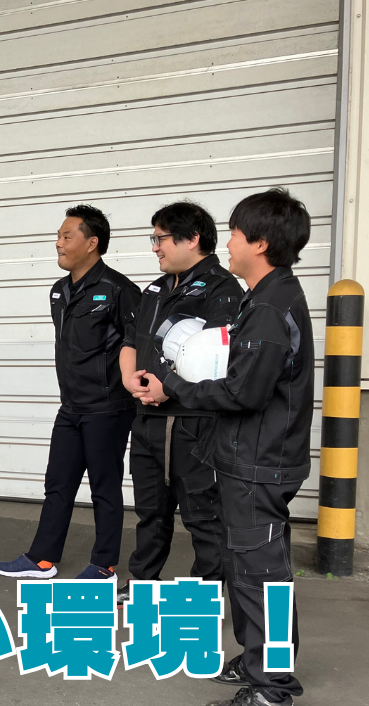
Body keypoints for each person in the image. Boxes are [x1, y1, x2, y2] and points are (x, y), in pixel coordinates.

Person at [137, 187, 312, 706]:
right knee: (250, 569)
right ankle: (259, 661)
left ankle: (274, 689)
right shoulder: (265, 298)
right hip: (249, 458)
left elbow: (242, 393)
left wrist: (174, 388)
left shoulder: (270, 307)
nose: (228, 243)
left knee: (262, 575)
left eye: (234, 234)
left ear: (259, 242)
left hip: (260, 462)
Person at [0, 205, 140, 580]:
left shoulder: (119, 290)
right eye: (58, 236)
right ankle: (42, 558)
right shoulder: (59, 291)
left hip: (108, 407)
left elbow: (136, 345)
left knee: (104, 488)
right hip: (71, 406)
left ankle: (104, 564)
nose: (58, 243)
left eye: (66, 236)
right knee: (58, 484)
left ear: (92, 243)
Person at [117, 202, 243, 604]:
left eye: (161, 238)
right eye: (153, 238)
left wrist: (168, 388)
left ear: (192, 239)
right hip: (147, 416)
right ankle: (143, 583)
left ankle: (205, 596)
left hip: (192, 421)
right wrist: (129, 378)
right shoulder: (155, 290)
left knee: (202, 514)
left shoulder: (222, 289)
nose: (155, 247)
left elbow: (216, 359)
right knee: (149, 510)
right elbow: (130, 339)